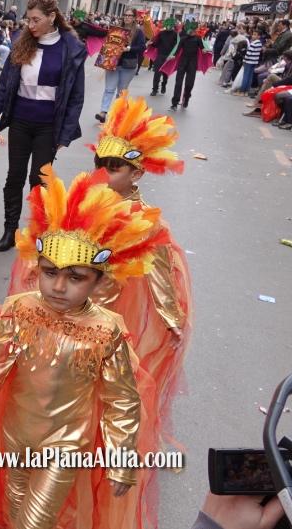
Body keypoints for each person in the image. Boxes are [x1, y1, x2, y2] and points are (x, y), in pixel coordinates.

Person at [0, 165, 163, 529]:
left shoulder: (106, 331)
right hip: (15, 433)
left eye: (75, 277)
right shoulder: (20, 311)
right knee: (14, 504)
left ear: (99, 281)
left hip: (66, 445)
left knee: (35, 521)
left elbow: (121, 400)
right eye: (50, 272)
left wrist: (122, 457)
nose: (58, 287)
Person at [92, 93, 190, 441]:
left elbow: (160, 272)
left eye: (114, 167)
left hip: (118, 305)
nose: (103, 173)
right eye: (100, 164)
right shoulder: (85, 202)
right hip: (77, 301)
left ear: (137, 172)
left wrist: (171, 317)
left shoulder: (146, 219)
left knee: (107, 371)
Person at [0, 0, 87, 253]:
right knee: (14, 176)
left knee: (39, 179)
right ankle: (10, 230)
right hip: (20, 121)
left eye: (36, 20)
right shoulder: (22, 43)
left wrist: (65, 134)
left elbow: (76, 97)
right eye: (28, 19)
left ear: (52, 17)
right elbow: (3, 89)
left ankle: (39, 231)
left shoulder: (71, 49)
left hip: (48, 126)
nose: (31, 25)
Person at [95, 9, 146, 122]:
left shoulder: (138, 32)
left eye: (130, 15)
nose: (127, 17)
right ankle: (103, 112)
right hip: (113, 62)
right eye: (125, 15)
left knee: (122, 91)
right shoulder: (116, 29)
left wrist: (129, 48)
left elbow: (142, 47)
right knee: (109, 88)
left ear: (134, 17)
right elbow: (108, 42)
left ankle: (117, 114)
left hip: (128, 65)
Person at [170, 21, 206, 111]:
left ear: (195, 30)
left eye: (192, 29)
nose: (190, 31)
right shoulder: (183, 38)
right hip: (182, 62)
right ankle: (174, 103)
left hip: (192, 64)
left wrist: (205, 50)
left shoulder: (198, 39)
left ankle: (186, 98)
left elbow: (202, 48)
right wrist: (173, 55)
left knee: (189, 84)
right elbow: (178, 49)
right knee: (178, 83)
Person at [150, 18, 179, 96]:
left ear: (173, 25)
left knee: (165, 73)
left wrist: (174, 55)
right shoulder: (161, 33)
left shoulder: (175, 34)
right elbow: (156, 43)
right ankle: (155, 89)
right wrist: (151, 43)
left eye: (170, 24)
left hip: (169, 57)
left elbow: (177, 46)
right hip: (160, 56)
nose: (169, 26)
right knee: (157, 73)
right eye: (167, 24)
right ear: (165, 24)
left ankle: (163, 85)